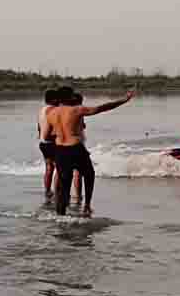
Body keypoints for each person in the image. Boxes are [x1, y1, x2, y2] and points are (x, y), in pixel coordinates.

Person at [48, 87, 136, 216]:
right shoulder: (77, 109)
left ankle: (60, 213)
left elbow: (47, 135)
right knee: (89, 174)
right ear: (69, 97)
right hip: (75, 148)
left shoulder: (51, 113)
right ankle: (87, 206)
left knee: (64, 183)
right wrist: (124, 100)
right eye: (72, 95)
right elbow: (101, 108)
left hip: (60, 150)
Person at [38, 89, 59, 199]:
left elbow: (39, 126)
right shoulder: (53, 110)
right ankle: (57, 192)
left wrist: (41, 136)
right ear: (53, 99)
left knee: (49, 167)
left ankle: (47, 191)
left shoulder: (42, 110)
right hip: (52, 142)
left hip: (43, 143)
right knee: (59, 168)